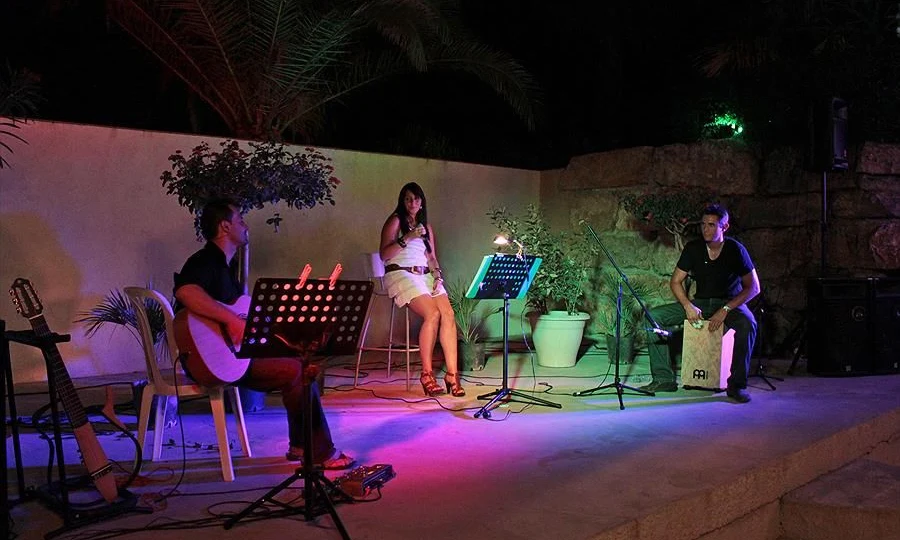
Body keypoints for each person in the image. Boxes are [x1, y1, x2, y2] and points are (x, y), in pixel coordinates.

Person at [173, 199, 354, 468]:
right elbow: (185, 292)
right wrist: (233, 322)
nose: (246, 227)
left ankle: (302, 446)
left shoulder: (224, 267)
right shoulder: (206, 259)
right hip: (212, 361)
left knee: (297, 359)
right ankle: (321, 452)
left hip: (228, 358)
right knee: (296, 370)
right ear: (225, 226)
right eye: (241, 220)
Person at [641, 204, 760, 403]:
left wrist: (726, 309)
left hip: (729, 303)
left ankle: (737, 385)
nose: (706, 229)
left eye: (712, 225)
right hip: (701, 303)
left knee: (748, 324)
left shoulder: (735, 249)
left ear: (725, 227)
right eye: (704, 224)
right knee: (654, 317)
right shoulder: (693, 248)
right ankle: (663, 379)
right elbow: (675, 281)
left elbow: (753, 287)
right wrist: (688, 305)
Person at [379, 182, 465, 397]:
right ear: (402, 200)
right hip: (401, 273)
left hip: (426, 274)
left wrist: (437, 275)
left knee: (448, 314)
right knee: (432, 314)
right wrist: (407, 237)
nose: (413, 203)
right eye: (408, 199)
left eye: (417, 199)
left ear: (422, 202)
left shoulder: (427, 227)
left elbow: (432, 257)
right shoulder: (395, 221)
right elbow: (384, 254)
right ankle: (426, 374)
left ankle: (452, 375)